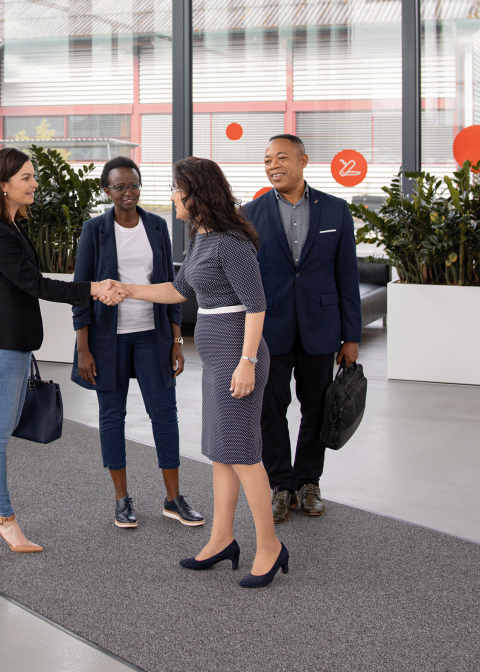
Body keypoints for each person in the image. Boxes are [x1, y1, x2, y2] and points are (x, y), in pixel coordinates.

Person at [112, 157, 289, 588]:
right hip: (217, 359)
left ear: (195, 193)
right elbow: (179, 290)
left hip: (236, 357)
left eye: (176, 189)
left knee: (244, 454)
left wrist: (247, 362)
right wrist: (128, 289)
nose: (172, 197)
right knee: (221, 452)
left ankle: (270, 546)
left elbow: (256, 305)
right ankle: (221, 539)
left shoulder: (230, 242)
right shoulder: (201, 239)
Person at [0, 147, 122, 554]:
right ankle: (4, 518)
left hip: (10, 342)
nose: (33, 183)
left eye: (33, 176)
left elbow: (32, 282)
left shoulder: (11, 226)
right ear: (3, 185)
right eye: (26, 178)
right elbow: (38, 284)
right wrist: (93, 289)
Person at [71, 157, 203, 530]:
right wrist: (83, 348)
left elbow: (172, 286)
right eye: (119, 187)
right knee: (112, 417)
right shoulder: (94, 230)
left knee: (165, 414)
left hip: (152, 336)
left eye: (134, 186)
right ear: (106, 191)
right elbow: (82, 291)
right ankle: (121, 499)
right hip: (105, 340)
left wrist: (177, 340)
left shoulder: (157, 226)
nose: (128, 193)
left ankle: (174, 498)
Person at [242, 134, 362, 524]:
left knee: (317, 408)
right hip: (269, 329)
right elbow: (243, 281)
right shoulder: (249, 214)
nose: (273, 165)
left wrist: (352, 336)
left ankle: (309, 481)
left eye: (280, 158)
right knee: (270, 410)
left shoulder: (336, 211)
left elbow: (347, 277)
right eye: (266, 160)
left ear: (303, 160)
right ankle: (282, 485)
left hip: (320, 328)